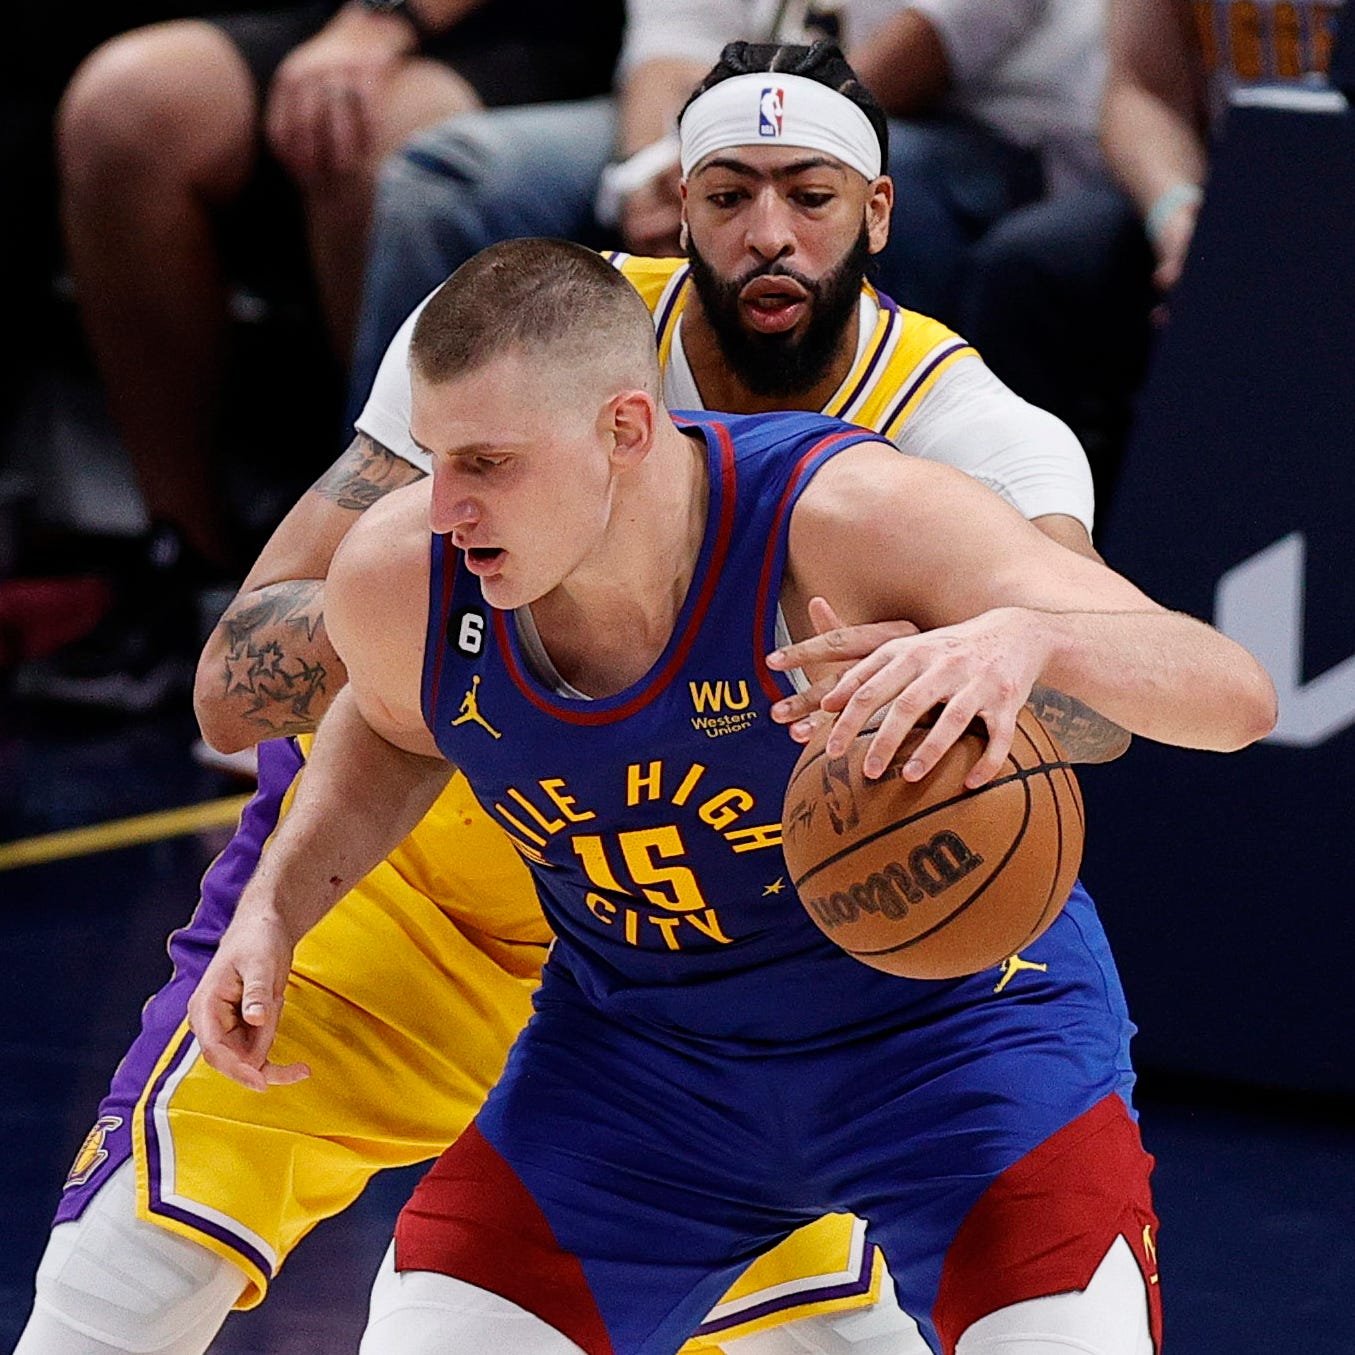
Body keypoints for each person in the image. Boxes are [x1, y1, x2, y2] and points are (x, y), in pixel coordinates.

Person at [16, 44, 1126, 1355]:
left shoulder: (961, 436)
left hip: (685, 965)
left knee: (833, 1329)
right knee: (112, 1294)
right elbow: (226, 692)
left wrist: (947, 668)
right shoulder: (521, 349)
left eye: (809, 195)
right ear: (671, 196)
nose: (768, 232)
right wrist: (438, 578)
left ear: (877, 210)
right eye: (727, 192)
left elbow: (1090, 705)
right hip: (403, 902)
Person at [190, 233, 1274, 1355]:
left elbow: (1233, 694)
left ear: (623, 426)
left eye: (487, 462)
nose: (446, 503)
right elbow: (389, 723)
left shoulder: (846, 519)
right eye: (433, 458)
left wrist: (1031, 640)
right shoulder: (405, 574)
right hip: (639, 1068)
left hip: (953, 1044)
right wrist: (275, 906)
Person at [29, 0, 622, 712]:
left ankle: (379, 578)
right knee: (125, 108)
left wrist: (383, 19)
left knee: (353, 135)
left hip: (520, 29)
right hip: (327, 15)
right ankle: (188, 560)